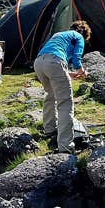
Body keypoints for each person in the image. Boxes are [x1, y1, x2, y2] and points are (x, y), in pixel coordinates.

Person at [34, 21, 91, 153]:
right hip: (55, 61)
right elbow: (76, 59)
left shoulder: (59, 34)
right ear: (85, 33)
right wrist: (82, 71)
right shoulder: (78, 37)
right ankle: (65, 146)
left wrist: (68, 73)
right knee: (65, 102)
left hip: (39, 62)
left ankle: (49, 129)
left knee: (51, 95)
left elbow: (52, 59)